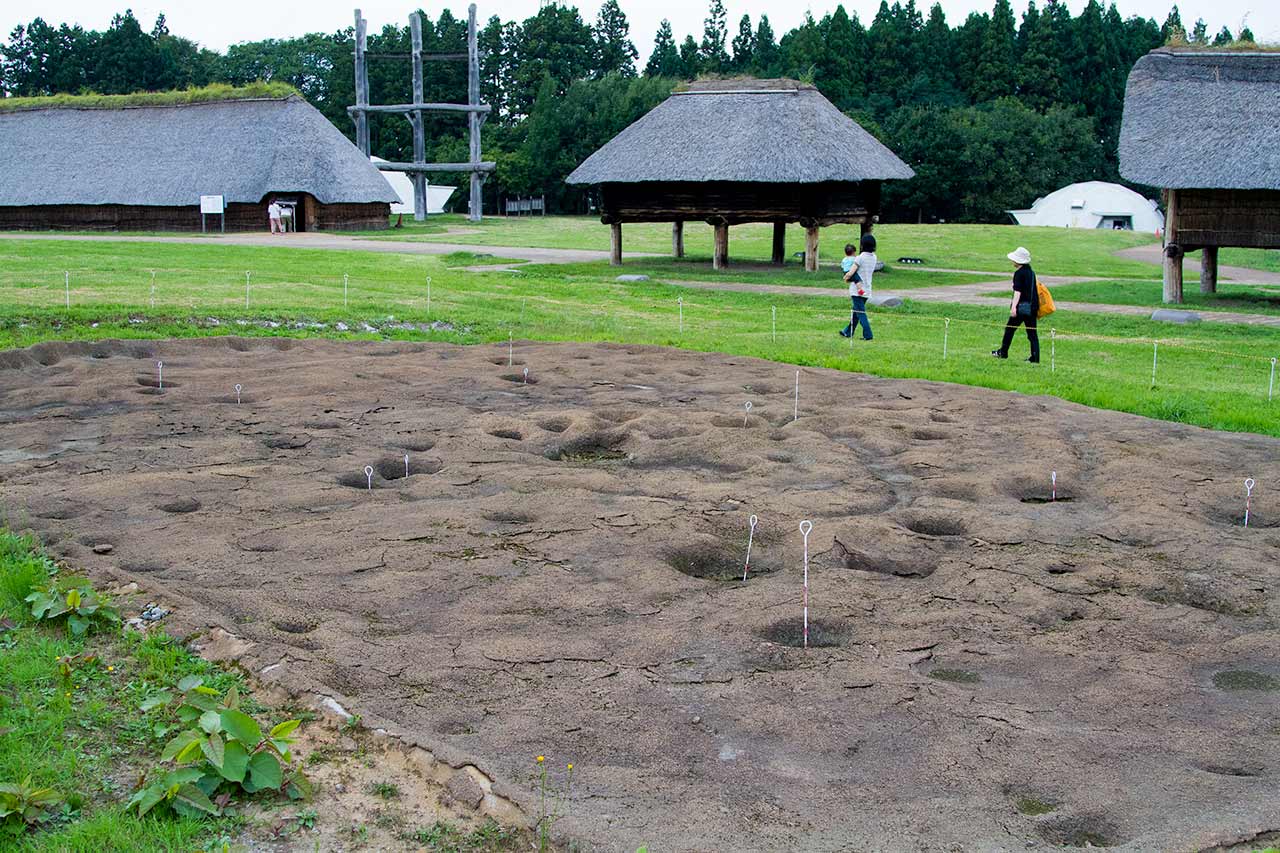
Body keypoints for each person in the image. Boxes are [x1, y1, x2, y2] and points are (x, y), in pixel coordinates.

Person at [992, 246, 1039, 363]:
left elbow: (1017, 292)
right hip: (1032, 307)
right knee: (1032, 334)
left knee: (1009, 329)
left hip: (1021, 308)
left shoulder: (1019, 273)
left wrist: (1013, 307)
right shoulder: (1031, 273)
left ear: (1018, 261)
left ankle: (1003, 352)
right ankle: (1035, 357)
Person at [839, 233, 877, 340]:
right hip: (867, 289)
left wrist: (846, 277)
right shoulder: (874, 257)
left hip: (857, 290)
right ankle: (848, 331)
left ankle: (868, 335)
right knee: (856, 312)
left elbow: (851, 272)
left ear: (862, 245)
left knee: (860, 313)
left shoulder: (860, 258)